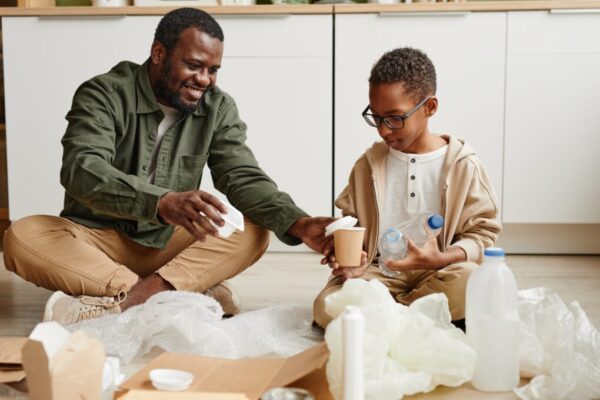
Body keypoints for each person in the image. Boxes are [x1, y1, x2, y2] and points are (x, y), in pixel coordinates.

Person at [3, 8, 334, 325]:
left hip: (167, 244)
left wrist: (299, 223)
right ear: (159, 53)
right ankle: (183, 292)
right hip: (97, 242)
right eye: (193, 65)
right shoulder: (103, 93)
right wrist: (160, 202)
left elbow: (242, 177)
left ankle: (129, 301)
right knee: (22, 236)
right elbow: (82, 169)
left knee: (255, 229)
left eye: (213, 69)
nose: (204, 80)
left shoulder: (217, 108)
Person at [313, 47, 501, 328]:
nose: (383, 130)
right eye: (376, 117)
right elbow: (351, 226)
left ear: (430, 107)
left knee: (471, 281)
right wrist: (350, 257)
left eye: (395, 118)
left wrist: (442, 258)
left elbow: (483, 234)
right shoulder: (367, 165)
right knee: (325, 306)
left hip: (438, 273)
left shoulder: (463, 164)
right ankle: (418, 316)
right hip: (378, 274)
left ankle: (386, 318)